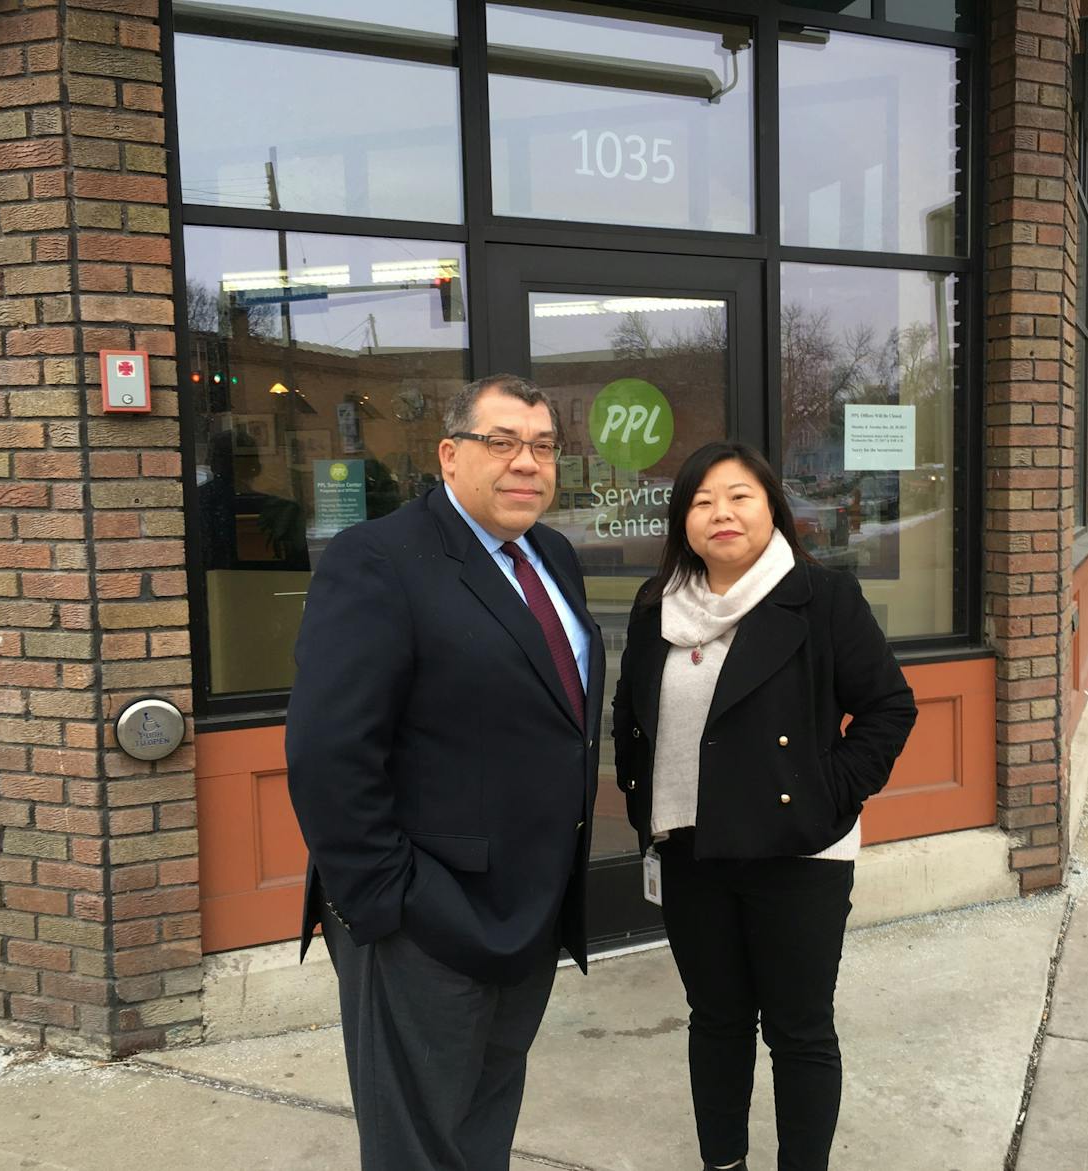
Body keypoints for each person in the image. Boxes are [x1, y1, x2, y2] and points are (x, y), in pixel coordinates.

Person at [286, 374, 603, 1171]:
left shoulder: (552, 555)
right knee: (416, 1151)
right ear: (450, 454)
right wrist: (385, 901)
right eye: (502, 443)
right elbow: (329, 750)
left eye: (541, 445)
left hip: (525, 910)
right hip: (422, 921)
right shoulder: (380, 560)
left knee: (480, 1132)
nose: (526, 463)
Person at [612, 441, 917, 1171]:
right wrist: (643, 809)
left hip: (798, 854)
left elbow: (888, 708)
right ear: (682, 519)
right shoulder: (657, 604)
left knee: (799, 1029)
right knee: (716, 1021)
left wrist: (828, 797)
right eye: (702, 499)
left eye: (739, 495)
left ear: (771, 506)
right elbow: (630, 716)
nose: (721, 512)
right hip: (691, 851)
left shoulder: (820, 597)